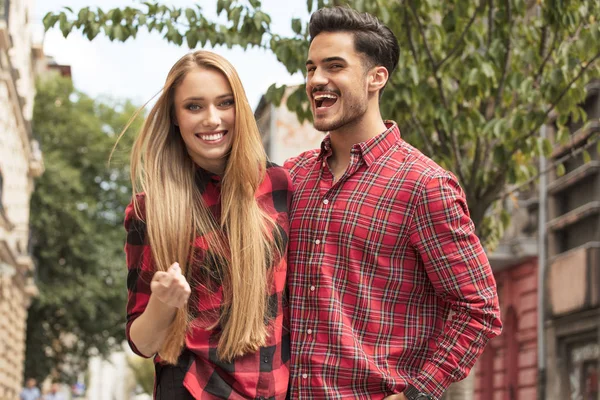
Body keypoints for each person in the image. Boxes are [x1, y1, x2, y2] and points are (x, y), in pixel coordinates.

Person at [283, 6, 502, 400]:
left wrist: (415, 394)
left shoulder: (423, 185)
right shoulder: (292, 178)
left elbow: (478, 310)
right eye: (311, 68)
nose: (317, 80)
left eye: (334, 66)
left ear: (376, 77)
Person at [122, 50, 292, 399]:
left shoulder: (279, 186)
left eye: (224, 103)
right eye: (194, 106)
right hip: (193, 390)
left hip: (276, 389)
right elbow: (143, 342)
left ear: (239, 109)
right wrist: (163, 302)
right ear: (174, 116)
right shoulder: (150, 211)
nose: (212, 119)